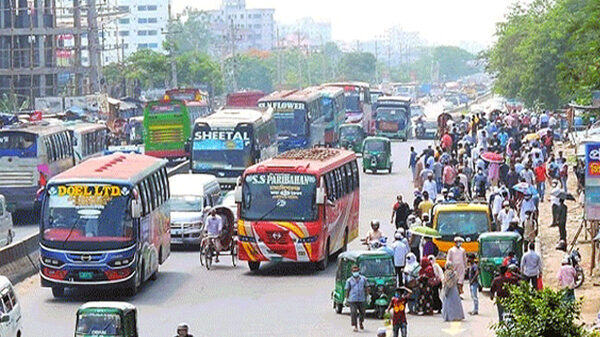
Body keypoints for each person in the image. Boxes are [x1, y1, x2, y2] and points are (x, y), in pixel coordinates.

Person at [345, 265, 369, 332]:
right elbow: (347, 289)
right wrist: (346, 298)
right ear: (352, 272)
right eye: (354, 271)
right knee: (353, 312)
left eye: (357, 271)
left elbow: (367, 287)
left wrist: (368, 296)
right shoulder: (349, 280)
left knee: (363, 312)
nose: (355, 272)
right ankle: (355, 325)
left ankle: (361, 322)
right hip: (352, 299)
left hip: (361, 298)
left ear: (359, 271)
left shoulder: (363, 279)